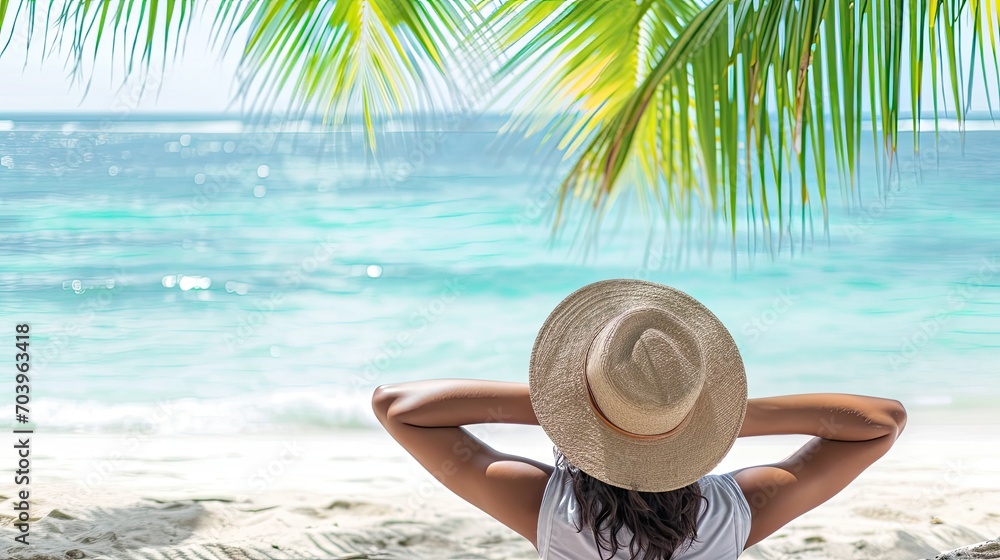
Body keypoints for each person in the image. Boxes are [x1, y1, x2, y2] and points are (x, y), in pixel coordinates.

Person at [372, 279, 907, 559]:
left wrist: (575, 409)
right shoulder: (732, 514)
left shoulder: (550, 511)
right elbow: (881, 421)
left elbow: (397, 406)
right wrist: (716, 418)